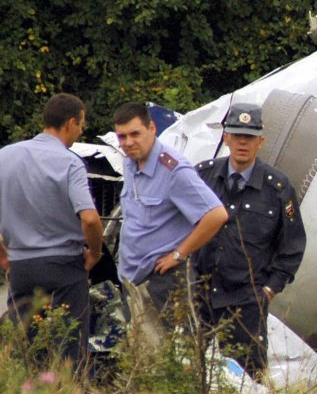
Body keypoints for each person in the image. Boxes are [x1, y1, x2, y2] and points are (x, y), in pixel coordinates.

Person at [195, 103, 306, 377]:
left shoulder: (277, 187)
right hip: (199, 297)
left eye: (250, 137)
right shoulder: (202, 176)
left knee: (247, 384)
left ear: (261, 142)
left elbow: (292, 246)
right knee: (192, 378)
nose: (242, 143)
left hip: (246, 304)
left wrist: (268, 291)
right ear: (226, 138)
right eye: (236, 135)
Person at [0, 93, 103, 372]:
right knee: (68, 347)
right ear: (70, 122)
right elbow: (91, 219)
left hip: (21, 267)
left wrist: (4, 255)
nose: (81, 131)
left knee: (22, 346)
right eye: (81, 125)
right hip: (64, 266)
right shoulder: (70, 162)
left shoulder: (5, 156)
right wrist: (95, 251)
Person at [113, 102, 228, 345]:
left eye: (135, 134)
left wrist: (179, 254)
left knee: (177, 357)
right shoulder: (130, 163)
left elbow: (216, 215)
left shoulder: (174, 170)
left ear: (152, 128)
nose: (128, 142)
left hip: (164, 280)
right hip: (132, 279)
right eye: (122, 137)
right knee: (141, 359)